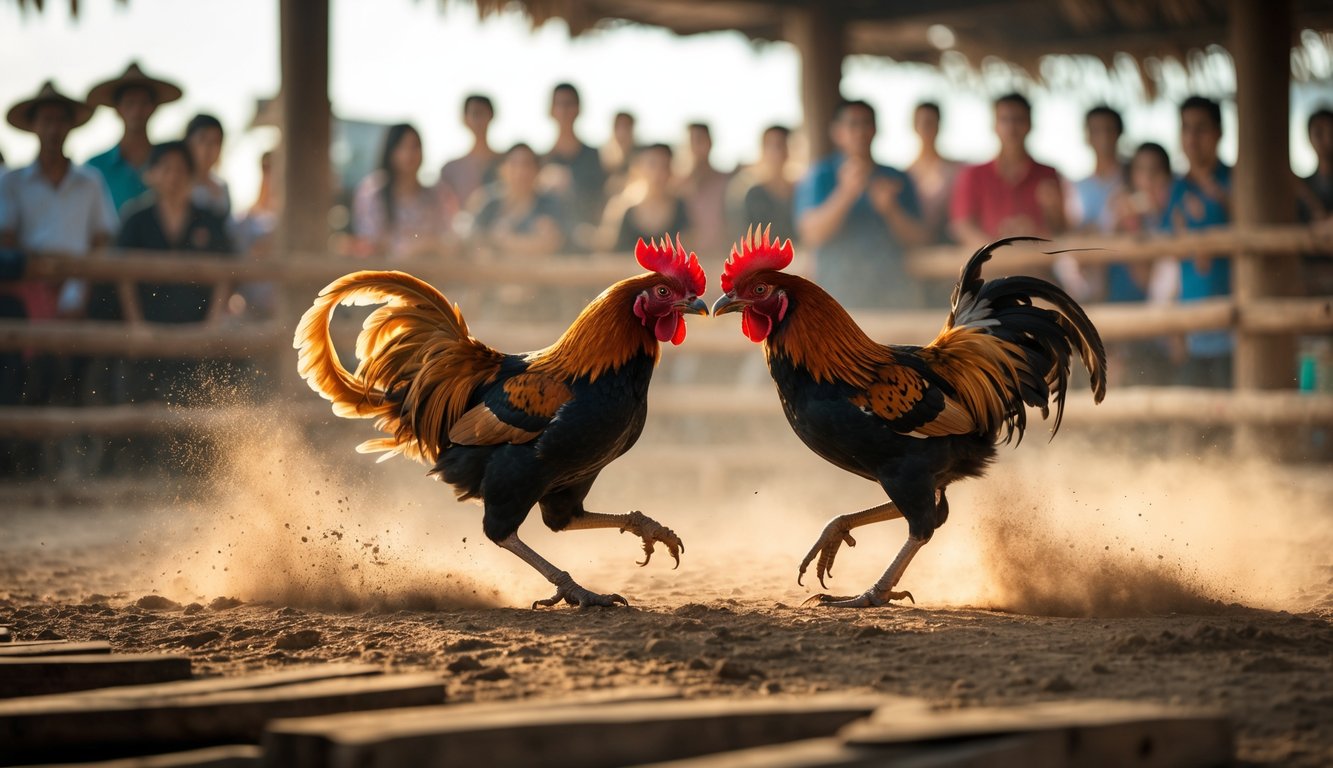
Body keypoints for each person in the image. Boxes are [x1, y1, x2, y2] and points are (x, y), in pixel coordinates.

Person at [0, 82, 118, 477]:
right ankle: (22, 462)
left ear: (70, 127)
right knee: (22, 380)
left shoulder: (90, 182)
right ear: (34, 126)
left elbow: (101, 243)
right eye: (46, 119)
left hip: (80, 292)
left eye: (59, 120)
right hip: (24, 299)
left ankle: (82, 462)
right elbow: (8, 243)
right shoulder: (12, 181)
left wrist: (75, 291)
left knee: (82, 377)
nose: (53, 127)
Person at [794, 99, 928, 309]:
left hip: (891, 294)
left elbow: (919, 238)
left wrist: (891, 210)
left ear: (875, 129)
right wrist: (845, 194)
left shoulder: (896, 177)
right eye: (852, 124)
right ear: (837, 132)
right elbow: (811, 234)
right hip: (836, 297)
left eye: (866, 123)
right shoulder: (820, 175)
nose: (860, 131)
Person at [1163, 95, 1233, 389]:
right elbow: (1169, 264)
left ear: (1219, 132)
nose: (1192, 138)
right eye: (1186, 128)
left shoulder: (1237, 181)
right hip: (1190, 327)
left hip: (1234, 325)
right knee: (1193, 421)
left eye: (1200, 128)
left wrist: (1225, 204)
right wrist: (1175, 329)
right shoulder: (1176, 188)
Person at [1105, 142, 1180, 386]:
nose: (1147, 179)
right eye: (1141, 171)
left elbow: (1148, 281)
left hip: (1160, 327)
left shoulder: (1173, 216)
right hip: (1122, 312)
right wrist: (1124, 225)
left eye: (1155, 172)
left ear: (1167, 177)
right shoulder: (1119, 212)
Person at [950, 92, 1066, 247]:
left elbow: (1062, 230)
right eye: (1005, 120)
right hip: (990, 268)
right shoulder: (974, 175)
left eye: (1018, 120)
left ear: (1030, 124)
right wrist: (997, 250)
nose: (1011, 128)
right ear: (995, 125)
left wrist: (1053, 211)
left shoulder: (1047, 175)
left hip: (1036, 268)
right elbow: (962, 226)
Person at [85, 62, 182, 216]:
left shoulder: (170, 166)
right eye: (130, 103)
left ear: (153, 108)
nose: (137, 110)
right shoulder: (94, 168)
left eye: (144, 103)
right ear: (118, 109)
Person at [1054, 105, 1126, 302]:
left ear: (1119, 134)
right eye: (1095, 130)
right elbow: (1069, 228)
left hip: (1126, 276)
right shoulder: (1077, 187)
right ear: (1087, 136)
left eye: (1108, 129)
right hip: (1087, 280)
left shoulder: (1132, 179)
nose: (1102, 136)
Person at [352, 123, 453, 261]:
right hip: (385, 275)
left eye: (415, 146)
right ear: (391, 151)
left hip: (427, 274)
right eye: (402, 147)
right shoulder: (373, 191)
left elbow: (448, 239)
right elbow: (369, 241)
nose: (409, 154)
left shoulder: (436, 195)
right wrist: (412, 247)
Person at [472, 143, 569, 258]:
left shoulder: (550, 205)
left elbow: (551, 243)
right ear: (502, 170)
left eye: (526, 165)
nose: (520, 172)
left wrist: (501, 242)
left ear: (537, 170)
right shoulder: (489, 205)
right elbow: (475, 244)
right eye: (514, 164)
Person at [541, 83, 606, 248]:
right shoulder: (540, 161)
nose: (564, 110)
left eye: (569, 104)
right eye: (559, 104)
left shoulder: (596, 157)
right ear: (551, 111)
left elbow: (603, 201)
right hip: (549, 247)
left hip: (588, 245)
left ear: (578, 109)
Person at [604, 143, 690, 252]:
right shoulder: (623, 209)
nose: (658, 173)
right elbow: (610, 252)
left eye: (664, 166)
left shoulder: (682, 209)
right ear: (639, 168)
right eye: (652, 165)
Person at [725, 124, 794, 241]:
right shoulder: (753, 194)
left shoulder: (800, 189)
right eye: (769, 145)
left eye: (780, 145)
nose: (776, 152)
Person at [905, 102, 961, 245]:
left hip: (948, 242)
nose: (926, 127)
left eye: (931, 122)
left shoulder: (956, 170)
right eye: (922, 122)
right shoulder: (905, 174)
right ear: (914, 126)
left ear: (939, 125)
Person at [678, 122, 733, 259]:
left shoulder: (727, 182)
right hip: (688, 264)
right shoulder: (676, 187)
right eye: (691, 142)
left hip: (721, 259)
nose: (696, 148)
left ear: (710, 143)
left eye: (700, 141)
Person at [437, 94, 499, 212]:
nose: (479, 120)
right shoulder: (451, 169)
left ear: (491, 116)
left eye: (482, 113)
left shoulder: (509, 164)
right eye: (475, 114)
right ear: (464, 119)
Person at [1297, 107, 1333, 295]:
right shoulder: (1302, 187)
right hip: (1312, 279)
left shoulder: (1303, 188)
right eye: (1318, 132)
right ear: (1309, 137)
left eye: (1330, 131)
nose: (1325, 138)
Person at [184, 113, 231, 219]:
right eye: (202, 140)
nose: (208, 148)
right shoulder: (175, 185)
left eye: (215, 142)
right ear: (187, 142)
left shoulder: (222, 188)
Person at [601, 110, 639, 199]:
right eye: (618, 126)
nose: (622, 131)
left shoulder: (642, 157)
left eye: (626, 127)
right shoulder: (602, 157)